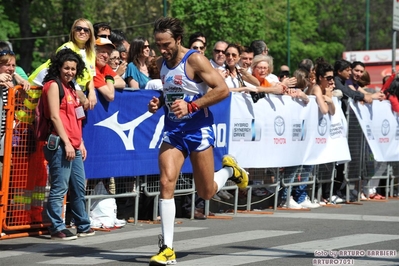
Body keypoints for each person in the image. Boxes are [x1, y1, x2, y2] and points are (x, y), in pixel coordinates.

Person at [148, 17, 248, 265]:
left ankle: (228, 170)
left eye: (166, 44)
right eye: (158, 44)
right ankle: (167, 249)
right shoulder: (161, 63)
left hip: (198, 130)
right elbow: (170, 89)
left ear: (178, 40)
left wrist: (192, 105)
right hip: (173, 130)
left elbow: (222, 89)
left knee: (206, 191)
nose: (162, 49)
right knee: (166, 181)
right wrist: (159, 102)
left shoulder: (194, 59)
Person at [41, 48, 94, 240]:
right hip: (59, 143)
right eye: (66, 68)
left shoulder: (71, 87)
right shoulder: (53, 86)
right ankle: (55, 227)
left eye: (73, 69)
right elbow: (55, 116)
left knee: (79, 186)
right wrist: (67, 143)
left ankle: (83, 225)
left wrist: (80, 142)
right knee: (59, 187)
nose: (70, 72)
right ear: (59, 67)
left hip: (74, 144)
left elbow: (77, 117)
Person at [29, 18, 97, 110]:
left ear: (90, 34)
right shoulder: (66, 48)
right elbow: (63, 74)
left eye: (86, 30)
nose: (82, 31)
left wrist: (92, 92)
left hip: (72, 91)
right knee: (25, 118)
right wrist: (79, 92)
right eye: (78, 28)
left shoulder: (91, 53)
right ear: (73, 31)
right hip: (37, 88)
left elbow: (90, 76)